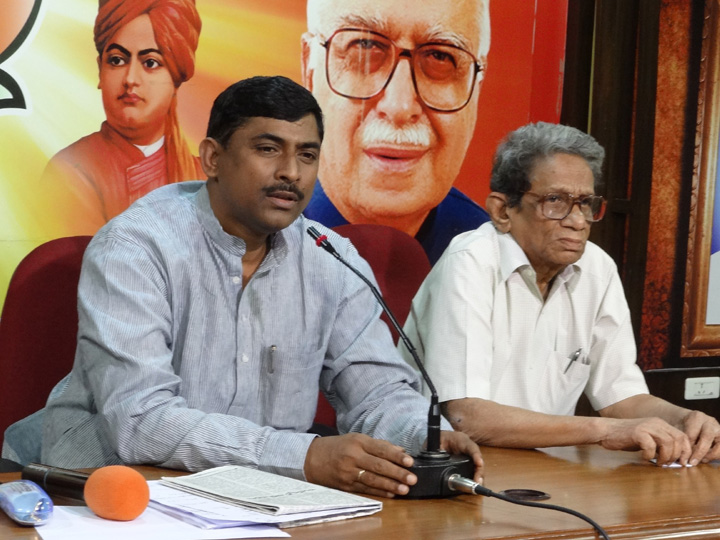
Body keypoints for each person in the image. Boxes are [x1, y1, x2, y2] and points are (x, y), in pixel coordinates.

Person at [36, 76, 482, 497]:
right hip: (104, 488)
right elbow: (141, 422)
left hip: (260, 493)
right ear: (212, 158)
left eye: (307, 155)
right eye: (268, 149)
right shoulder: (136, 248)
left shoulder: (330, 257)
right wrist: (302, 456)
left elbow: (377, 393)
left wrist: (424, 440)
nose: (291, 172)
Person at [401, 122, 720, 466]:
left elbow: (622, 397)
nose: (578, 221)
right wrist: (605, 431)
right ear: (502, 211)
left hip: (544, 469)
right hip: (446, 467)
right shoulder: (469, 262)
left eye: (585, 203)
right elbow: (467, 417)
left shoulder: (598, 269)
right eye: (556, 201)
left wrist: (683, 420)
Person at [301, 0, 491, 264]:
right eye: (364, 46)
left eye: (441, 56)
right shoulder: (237, 246)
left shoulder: (492, 258)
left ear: (477, 85)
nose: (399, 106)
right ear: (309, 69)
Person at [39, 0, 203, 237]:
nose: (130, 78)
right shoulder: (70, 171)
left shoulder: (205, 178)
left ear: (177, 77)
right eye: (117, 60)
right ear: (100, 70)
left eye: (150, 63)